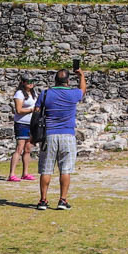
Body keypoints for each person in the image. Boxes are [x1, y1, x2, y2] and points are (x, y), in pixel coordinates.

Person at [33, 63, 85, 209]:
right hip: (67, 134)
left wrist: (33, 134)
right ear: (68, 81)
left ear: (55, 80)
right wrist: (81, 75)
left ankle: (43, 200)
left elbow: (36, 114)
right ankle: (63, 200)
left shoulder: (45, 94)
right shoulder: (73, 94)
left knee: (46, 169)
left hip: (49, 134)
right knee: (66, 169)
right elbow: (83, 90)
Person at [7, 78, 37, 183]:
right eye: (29, 82)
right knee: (19, 149)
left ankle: (25, 173)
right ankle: (12, 174)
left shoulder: (33, 93)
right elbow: (19, 110)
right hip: (22, 123)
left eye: (32, 82)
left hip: (31, 123)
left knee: (28, 149)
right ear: (23, 83)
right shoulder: (19, 94)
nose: (31, 84)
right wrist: (31, 110)